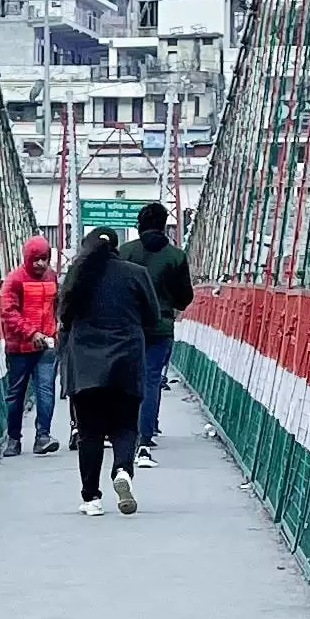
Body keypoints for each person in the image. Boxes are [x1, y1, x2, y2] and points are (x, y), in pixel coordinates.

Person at [57, 225, 156, 516]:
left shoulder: (76, 275)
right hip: (126, 359)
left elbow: (64, 316)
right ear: (116, 246)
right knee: (125, 425)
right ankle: (123, 470)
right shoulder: (136, 274)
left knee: (90, 432)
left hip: (86, 364)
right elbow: (152, 317)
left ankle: (91, 499)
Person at [129, 198, 193, 463]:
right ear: (165, 226)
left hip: (127, 327)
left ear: (139, 225)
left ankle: (125, 431)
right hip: (161, 327)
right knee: (152, 379)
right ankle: (146, 434)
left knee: (126, 379)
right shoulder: (176, 256)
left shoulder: (125, 253)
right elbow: (184, 298)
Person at [0, 231, 59, 457]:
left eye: (44, 258)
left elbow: (57, 303)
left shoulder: (51, 277)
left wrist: (56, 326)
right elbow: (8, 312)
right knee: (16, 395)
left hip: (45, 346)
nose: (41, 263)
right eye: (36, 259)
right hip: (20, 348)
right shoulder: (14, 280)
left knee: (46, 390)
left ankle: (43, 436)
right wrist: (31, 333)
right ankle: (13, 439)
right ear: (27, 258)